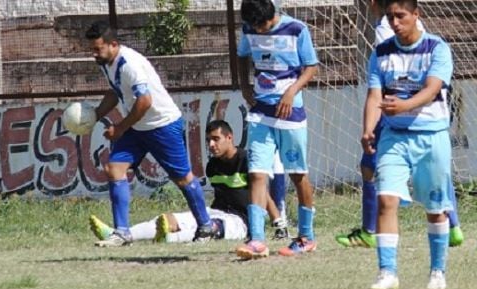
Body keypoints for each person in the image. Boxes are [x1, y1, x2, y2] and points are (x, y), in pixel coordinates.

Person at [335, 0, 464, 249]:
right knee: (433, 171)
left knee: (370, 167)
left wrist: (398, 108)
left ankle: (371, 230)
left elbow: (395, 85)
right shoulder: (403, 23)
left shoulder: (388, 29)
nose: (396, 22)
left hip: (405, 116)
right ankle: (453, 225)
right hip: (404, 114)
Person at [84, 20, 216, 247]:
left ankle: (206, 226)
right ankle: (122, 232)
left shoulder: (130, 64)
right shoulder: (107, 63)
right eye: (92, 49)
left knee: (183, 178)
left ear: (113, 44)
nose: (94, 54)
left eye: (98, 49)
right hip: (138, 127)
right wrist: (95, 115)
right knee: (114, 168)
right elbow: (115, 93)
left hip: (162, 125)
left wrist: (120, 128)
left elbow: (145, 102)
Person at [362, 0, 454, 289]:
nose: (394, 22)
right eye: (390, 16)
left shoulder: (437, 48)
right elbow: (375, 95)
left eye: (400, 16)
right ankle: (387, 273)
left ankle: (438, 271)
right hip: (394, 137)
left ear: (416, 15)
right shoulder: (380, 52)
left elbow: (431, 90)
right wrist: (367, 129)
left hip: (432, 136)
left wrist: (403, 106)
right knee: (386, 199)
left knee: (435, 208)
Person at [89, 120, 286, 243]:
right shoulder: (213, 166)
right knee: (168, 219)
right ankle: (121, 234)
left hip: (241, 221)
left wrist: (278, 222)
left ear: (229, 137)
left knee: (212, 228)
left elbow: (263, 194)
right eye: (209, 139)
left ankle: (170, 238)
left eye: (216, 139)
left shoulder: (246, 160)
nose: (211, 144)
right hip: (215, 212)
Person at [234, 0, 319, 259]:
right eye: (253, 27)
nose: (258, 31)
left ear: (273, 16)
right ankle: (257, 240)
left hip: (290, 114)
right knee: (258, 173)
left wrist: (291, 92)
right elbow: (241, 57)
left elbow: (312, 67)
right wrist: (245, 86)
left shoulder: (296, 29)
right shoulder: (250, 30)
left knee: (297, 173)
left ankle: (306, 236)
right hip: (261, 112)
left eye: (262, 26)